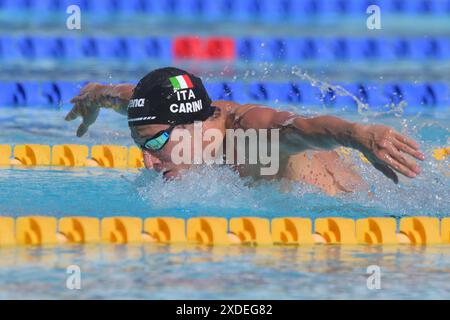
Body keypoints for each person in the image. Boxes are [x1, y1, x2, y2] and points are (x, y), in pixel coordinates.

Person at [65, 67, 424, 195]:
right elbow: (124, 95)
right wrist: (94, 96)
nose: (147, 161)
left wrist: (357, 136)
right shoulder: (155, 115)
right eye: (141, 145)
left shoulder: (249, 137)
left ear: (194, 127)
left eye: (156, 144)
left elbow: (302, 129)